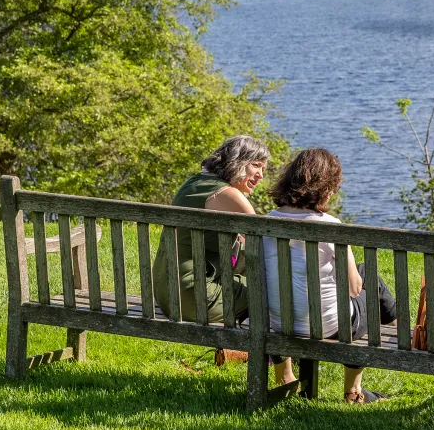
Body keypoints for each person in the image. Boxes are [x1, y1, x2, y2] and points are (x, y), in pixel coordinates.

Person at [262, 148, 397, 404]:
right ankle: (353, 391)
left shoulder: (267, 222)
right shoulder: (330, 227)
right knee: (368, 281)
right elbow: (355, 289)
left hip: (278, 321)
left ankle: (285, 377)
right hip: (329, 326)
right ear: (327, 187)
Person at [153, 135, 270, 324]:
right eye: (256, 165)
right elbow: (264, 245)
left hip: (166, 290)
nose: (261, 175)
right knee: (274, 294)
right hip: (192, 298)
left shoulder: (194, 183)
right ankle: (268, 353)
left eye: (263, 169)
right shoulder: (229, 195)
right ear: (238, 161)